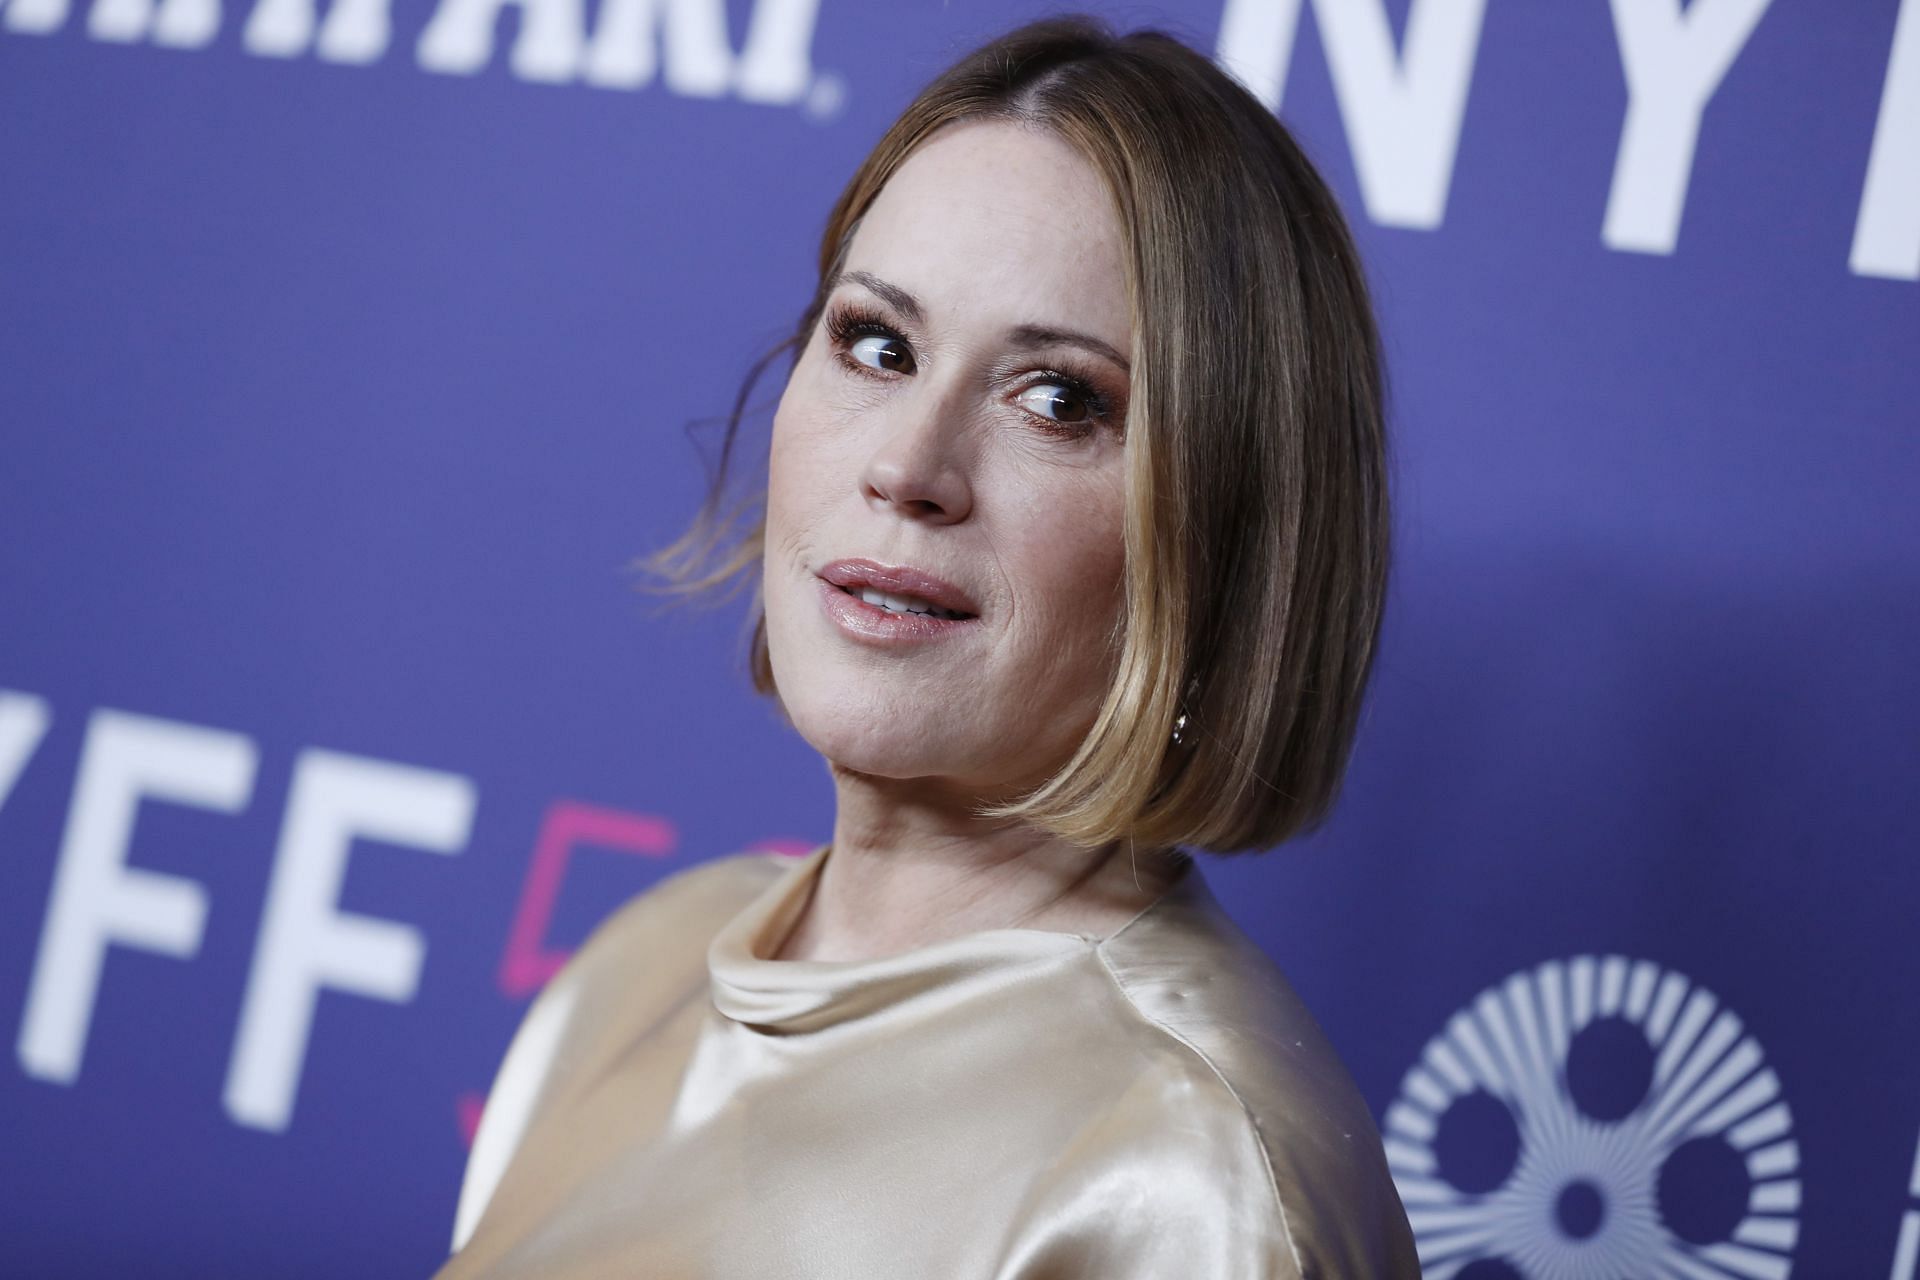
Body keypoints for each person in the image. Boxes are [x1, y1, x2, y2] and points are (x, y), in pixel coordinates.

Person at [435, 14, 1417, 1278]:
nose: (908, 465)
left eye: (1060, 399)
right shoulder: (640, 965)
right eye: (877, 344)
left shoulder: (1190, 1185)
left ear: (1228, 539)